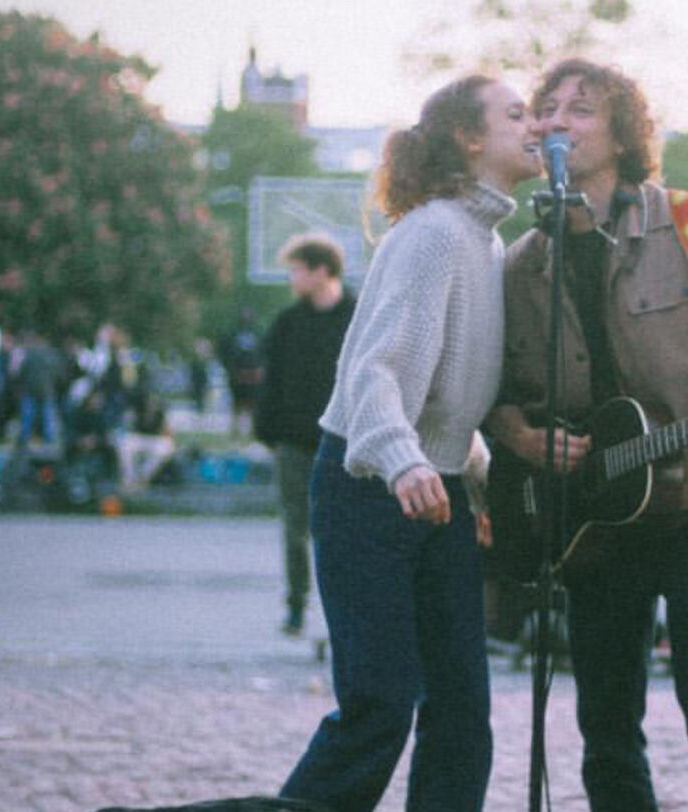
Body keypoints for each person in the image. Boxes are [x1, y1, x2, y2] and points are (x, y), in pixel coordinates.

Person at [486, 58, 688, 811]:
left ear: (623, 133)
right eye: (544, 110)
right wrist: (520, 439)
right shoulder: (522, 265)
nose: (554, 122)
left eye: (579, 110)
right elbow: (500, 396)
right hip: (592, 525)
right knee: (607, 729)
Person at [279, 74, 541, 812]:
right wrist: (404, 460)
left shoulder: (485, 243)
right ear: (468, 137)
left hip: (438, 490)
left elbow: (450, 395)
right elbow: (374, 373)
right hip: (368, 484)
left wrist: (474, 479)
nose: (534, 127)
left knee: (462, 713)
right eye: (515, 114)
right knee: (380, 706)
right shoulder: (431, 234)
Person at [255, 234, 357, 636]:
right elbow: (272, 382)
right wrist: (269, 432)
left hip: (348, 443)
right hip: (296, 442)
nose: (291, 278)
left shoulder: (357, 316)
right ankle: (296, 605)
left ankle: (345, 610)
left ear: (320, 271)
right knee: (295, 527)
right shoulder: (287, 324)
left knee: (345, 530)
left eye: (296, 270)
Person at [219, 309, 265, 440]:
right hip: (237, 373)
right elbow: (224, 352)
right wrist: (230, 369)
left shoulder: (258, 333)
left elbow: (264, 352)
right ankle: (235, 430)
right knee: (236, 403)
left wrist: (260, 369)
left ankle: (252, 431)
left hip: (253, 374)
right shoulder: (232, 333)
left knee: (253, 404)